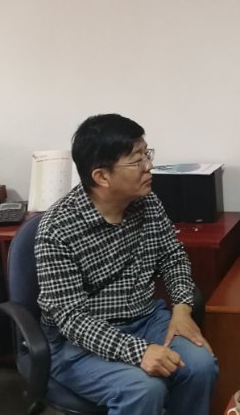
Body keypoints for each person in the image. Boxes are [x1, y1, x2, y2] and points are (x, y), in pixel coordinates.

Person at [35, 113, 218, 415]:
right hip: (79, 343)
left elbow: (173, 257)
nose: (149, 166)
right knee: (144, 389)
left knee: (200, 365)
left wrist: (182, 309)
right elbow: (71, 318)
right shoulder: (58, 229)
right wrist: (139, 351)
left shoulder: (147, 202)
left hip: (146, 319)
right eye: (136, 160)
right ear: (102, 177)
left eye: (147, 154)